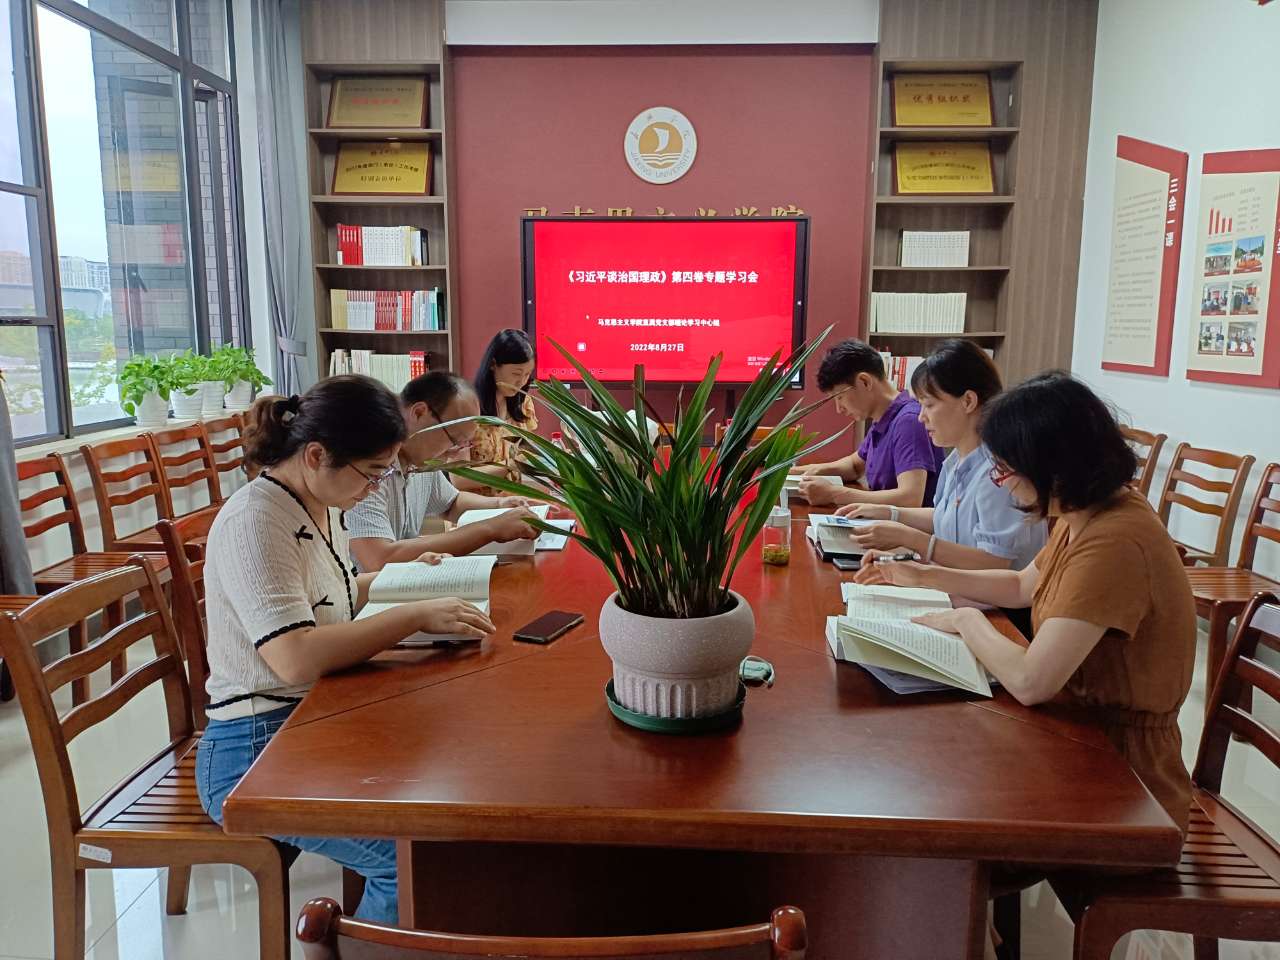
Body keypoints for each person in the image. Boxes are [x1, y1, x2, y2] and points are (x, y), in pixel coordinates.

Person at [196, 376, 497, 924]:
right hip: (253, 749)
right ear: (316, 455)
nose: (375, 487)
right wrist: (411, 615)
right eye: (373, 472)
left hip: (308, 717)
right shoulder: (257, 521)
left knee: (447, 762)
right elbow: (294, 655)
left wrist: (402, 580)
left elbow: (326, 596)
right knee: (407, 861)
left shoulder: (315, 501)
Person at [869, 372, 1196, 835]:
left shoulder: (1115, 540)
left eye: (1005, 469)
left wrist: (966, 620)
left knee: (944, 798)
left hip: (1122, 778)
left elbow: (1030, 681)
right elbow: (1023, 585)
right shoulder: (1086, 511)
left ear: (1052, 466)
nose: (1001, 483)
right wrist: (927, 575)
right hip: (1078, 734)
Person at [844, 340, 1047, 629]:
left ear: (968, 401)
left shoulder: (1001, 473)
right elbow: (945, 517)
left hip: (999, 616)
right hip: (958, 595)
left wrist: (913, 541)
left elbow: (993, 563)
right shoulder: (956, 460)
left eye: (929, 404)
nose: (921, 416)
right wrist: (891, 515)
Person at [347, 371, 540, 573]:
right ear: (419, 413)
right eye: (454, 440)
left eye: (464, 444)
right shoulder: (369, 465)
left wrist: (500, 505)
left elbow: (450, 504)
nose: (454, 453)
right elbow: (379, 559)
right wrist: (490, 528)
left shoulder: (420, 458)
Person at [797, 338, 944, 508]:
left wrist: (834, 494)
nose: (839, 409)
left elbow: (910, 498)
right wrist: (801, 471)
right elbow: (854, 466)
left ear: (864, 382)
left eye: (840, 397)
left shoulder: (908, 421)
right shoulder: (883, 418)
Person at [454, 328, 538, 496]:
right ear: (493, 364)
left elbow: (527, 452)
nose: (521, 382)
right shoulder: (466, 409)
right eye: (516, 374)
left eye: (527, 375)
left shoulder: (523, 404)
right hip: (479, 506)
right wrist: (510, 465)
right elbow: (459, 479)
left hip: (515, 502)